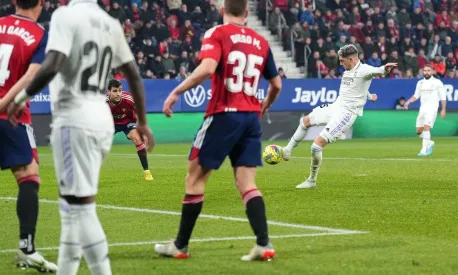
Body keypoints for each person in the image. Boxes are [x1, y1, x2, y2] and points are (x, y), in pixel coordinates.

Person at [1, 0, 155, 273]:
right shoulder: (111, 23)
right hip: (100, 121)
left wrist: (21, 97)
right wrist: (142, 122)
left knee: (80, 210)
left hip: (74, 120)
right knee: (70, 209)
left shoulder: (65, 15)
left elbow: (52, 64)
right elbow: (134, 74)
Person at [154, 0, 282, 261]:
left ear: (222, 10)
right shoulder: (261, 41)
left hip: (223, 114)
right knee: (247, 183)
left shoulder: (217, 33)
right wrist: (263, 107)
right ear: (246, 14)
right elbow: (276, 84)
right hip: (250, 118)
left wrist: (176, 91)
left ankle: (180, 245)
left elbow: (208, 68)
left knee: (195, 178)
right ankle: (263, 244)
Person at [0, 0, 57, 271]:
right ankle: (27, 249)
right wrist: (0, 105)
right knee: (29, 175)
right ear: (41, 3)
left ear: (15, 1)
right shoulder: (41, 34)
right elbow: (32, 76)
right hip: (10, 118)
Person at [282, 44, 397, 189]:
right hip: (335, 106)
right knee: (305, 121)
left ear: (351, 59)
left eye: (342, 61)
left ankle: (311, 181)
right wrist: (368, 95)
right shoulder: (348, 70)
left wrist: (384, 69)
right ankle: (287, 150)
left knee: (316, 146)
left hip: (346, 114)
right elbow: (356, 88)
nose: (340, 64)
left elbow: (377, 71)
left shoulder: (365, 70)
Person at [107, 79, 153, 180]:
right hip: (110, 124)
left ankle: (147, 172)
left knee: (137, 139)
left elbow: (140, 112)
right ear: (109, 91)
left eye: (120, 90)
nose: (118, 94)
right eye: (115, 91)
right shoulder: (102, 102)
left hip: (128, 122)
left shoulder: (128, 99)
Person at [404, 65, 446, 156]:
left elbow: (443, 97)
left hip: (432, 109)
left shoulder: (437, 82)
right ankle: (429, 142)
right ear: (423, 72)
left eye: (428, 70)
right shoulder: (420, 83)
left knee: (427, 128)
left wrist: (443, 109)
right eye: (425, 70)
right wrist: (408, 102)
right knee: (419, 131)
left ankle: (423, 150)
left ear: (432, 72)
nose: (426, 72)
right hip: (422, 109)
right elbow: (416, 95)